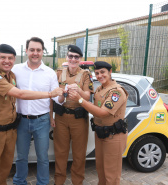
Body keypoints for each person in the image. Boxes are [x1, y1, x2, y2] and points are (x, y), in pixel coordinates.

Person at [0, 44, 63, 185]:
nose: (6, 61)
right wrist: (50, 94)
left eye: (10, 58)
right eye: (3, 57)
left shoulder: (12, 75)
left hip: (10, 130)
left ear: (14, 59)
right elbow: (20, 94)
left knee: (3, 170)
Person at [12, 37, 64, 185]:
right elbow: (3, 83)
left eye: (38, 50)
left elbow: (55, 98)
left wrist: (62, 96)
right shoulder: (16, 70)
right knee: (21, 156)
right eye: (32, 49)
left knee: (42, 157)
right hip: (21, 120)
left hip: (42, 121)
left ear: (42, 52)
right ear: (26, 51)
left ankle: (42, 183)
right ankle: (19, 181)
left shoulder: (49, 73)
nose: (35, 53)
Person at [69, 61, 128, 185]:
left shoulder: (116, 92)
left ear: (110, 72)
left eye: (103, 72)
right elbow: (95, 108)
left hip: (113, 136)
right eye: (97, 73)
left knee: (111, 175)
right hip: (101, 134)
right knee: (101, 171)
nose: (100, 75)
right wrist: (81, 94)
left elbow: (102, 113)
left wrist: (80, 100)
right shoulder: (100, 89)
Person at [53, 45, 94, 185]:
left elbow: (87, 97)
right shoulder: (58, 73)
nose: (73, 59)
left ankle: (77, 182)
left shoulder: (85, 75)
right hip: (61, 118)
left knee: (79, 154)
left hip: (78, 118)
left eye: (76, 57)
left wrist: (79, 92)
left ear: (80, 59)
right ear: (66, 57)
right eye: (70, 56)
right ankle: (59, 181)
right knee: (60, 152)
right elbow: (51, 95)